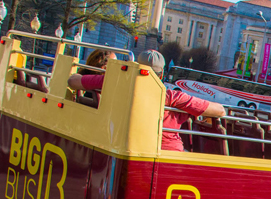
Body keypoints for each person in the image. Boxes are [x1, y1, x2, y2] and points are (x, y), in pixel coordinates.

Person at [67, 50, 225, 152]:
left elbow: (72, 81)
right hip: (165, 152)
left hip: (119, 144)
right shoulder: (173, 97)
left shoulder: (115, 82)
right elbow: (220, 111)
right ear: (162, 74)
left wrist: (103, 79)